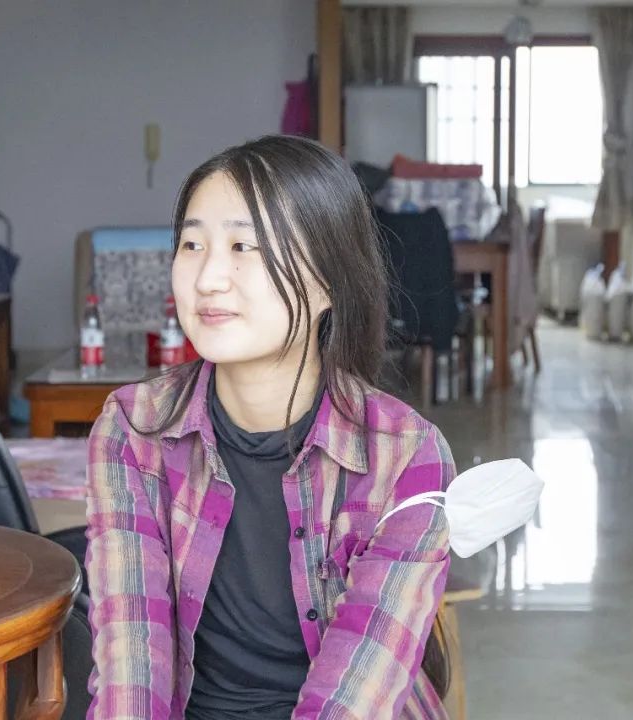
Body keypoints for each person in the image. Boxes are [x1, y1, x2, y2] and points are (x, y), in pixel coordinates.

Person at [84, 135, 455, 719]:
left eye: (243, 246)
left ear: (328, 279)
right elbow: (131, 659)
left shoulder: (407, 455)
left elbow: (356, 696)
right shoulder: (134, 430)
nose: (209, 278)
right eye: (192, 244)